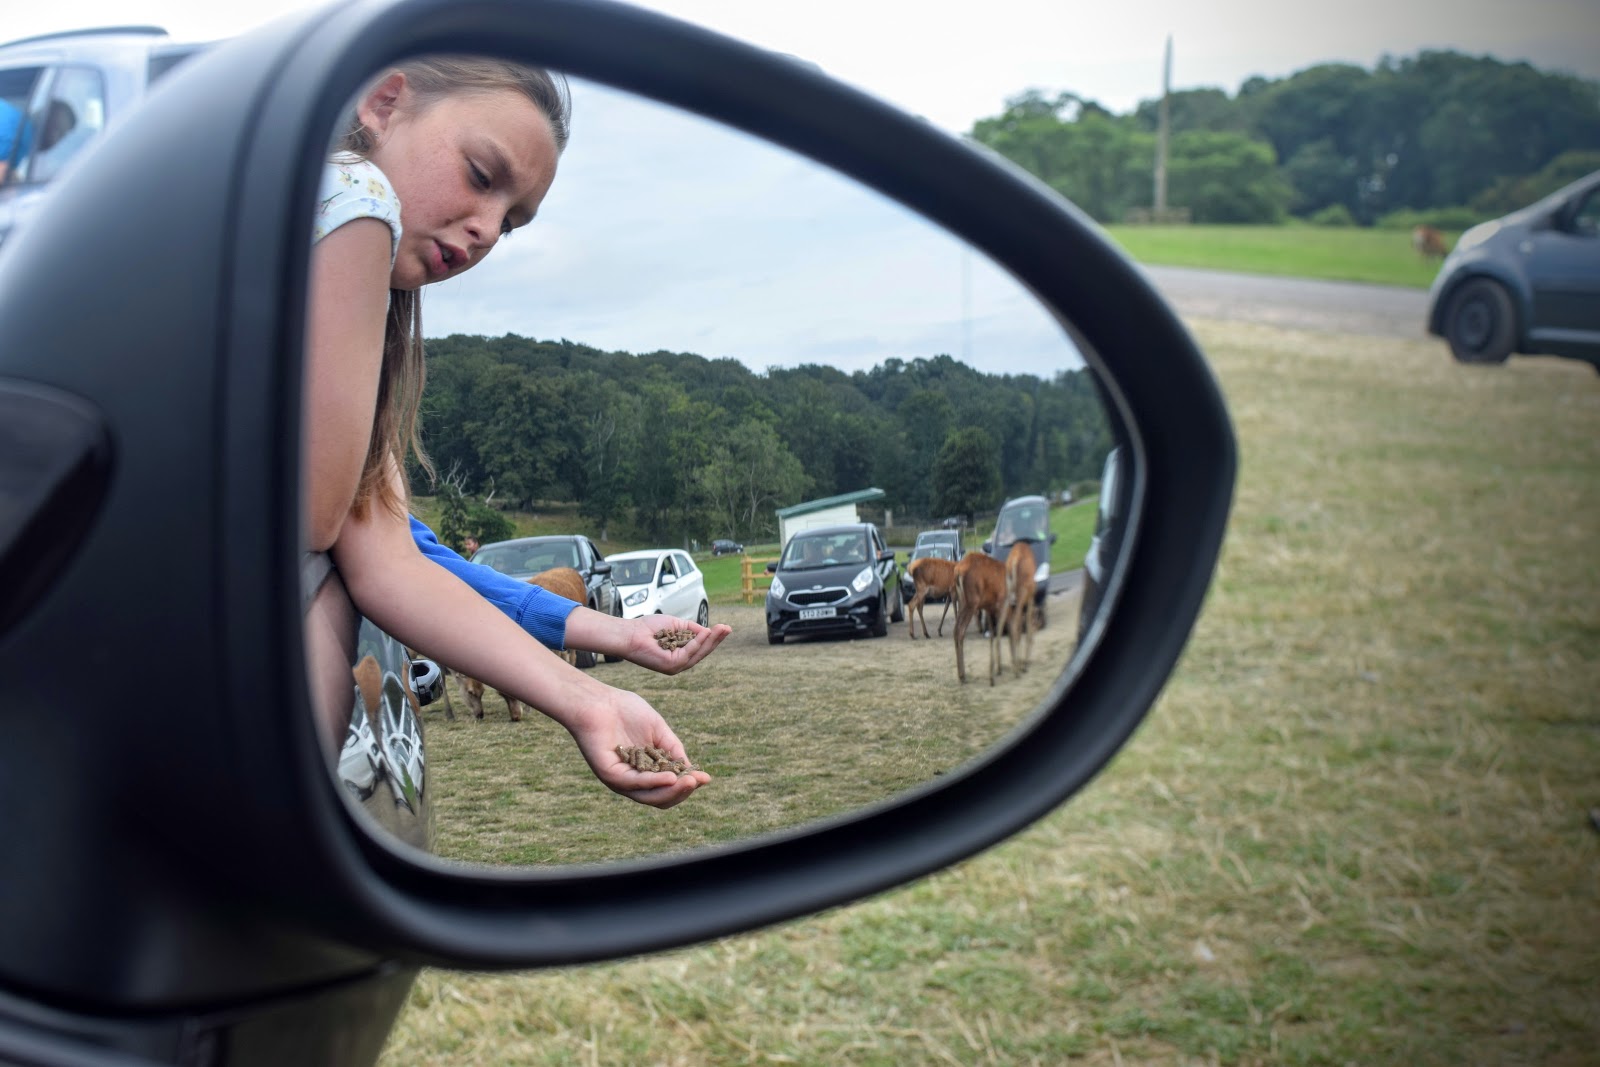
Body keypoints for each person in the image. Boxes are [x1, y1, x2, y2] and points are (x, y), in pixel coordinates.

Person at [305, 56, 728, 809]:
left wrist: (587, 695)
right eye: (480, 173)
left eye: (513, 220)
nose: (486, 229)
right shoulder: (357, 194)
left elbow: (396, 563)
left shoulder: (357, 268)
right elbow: (319, 522)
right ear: (384, 100)